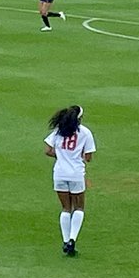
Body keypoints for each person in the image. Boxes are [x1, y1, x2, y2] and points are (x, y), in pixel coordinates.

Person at [44, 105, 95, 256]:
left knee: (66, 208)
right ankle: (73, 239)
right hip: (76, 174)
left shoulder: (59, 131)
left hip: (59, 173)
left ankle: (65, 241)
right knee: (79, 207)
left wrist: (60, 156)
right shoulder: (85, 132)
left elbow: (47, 150)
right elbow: (89, 157)